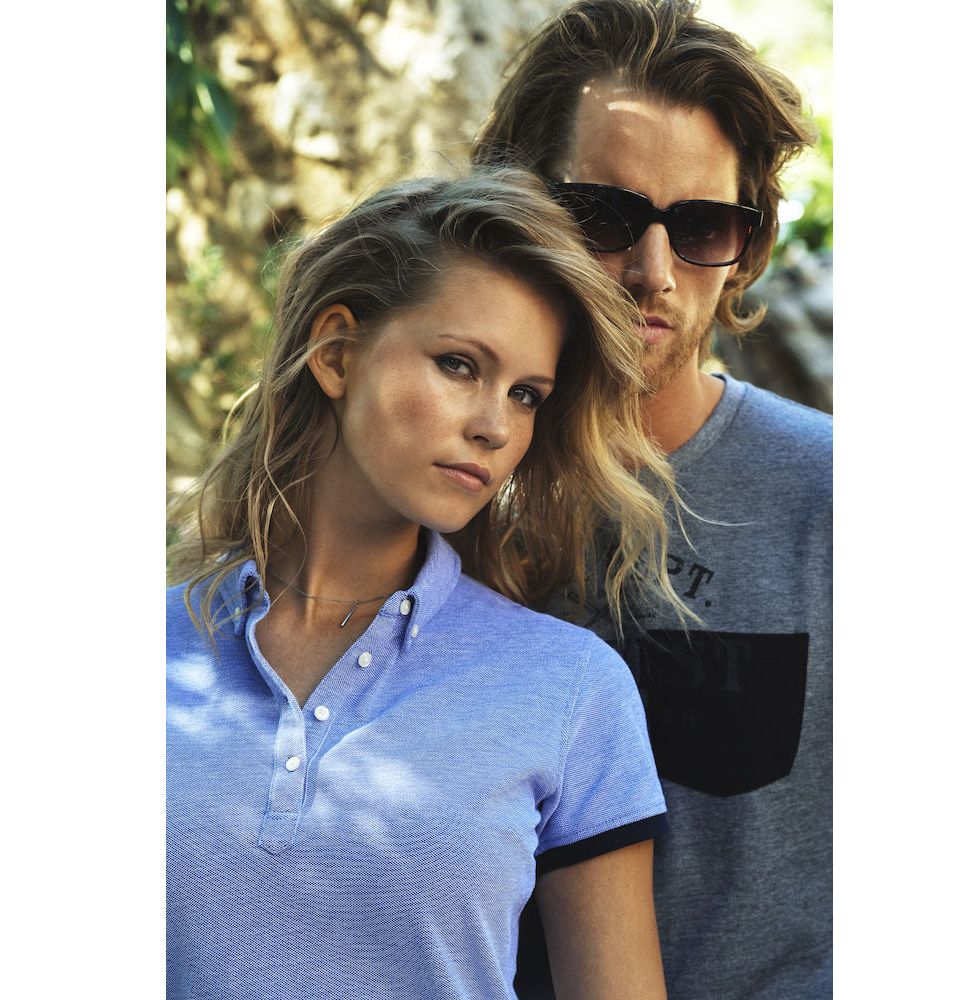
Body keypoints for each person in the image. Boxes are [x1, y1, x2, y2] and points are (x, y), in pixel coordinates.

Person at [166, 168, 692, 999]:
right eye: (458, 365)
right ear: (336, 354)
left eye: (526, 395)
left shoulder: (569, 687)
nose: (495, 425)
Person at [472, 2, 832, 997]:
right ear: (516, 207)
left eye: (703, 225)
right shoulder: (435, 494)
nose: (652, 273)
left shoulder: (836, 501)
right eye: (604, 215)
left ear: (746, 245)